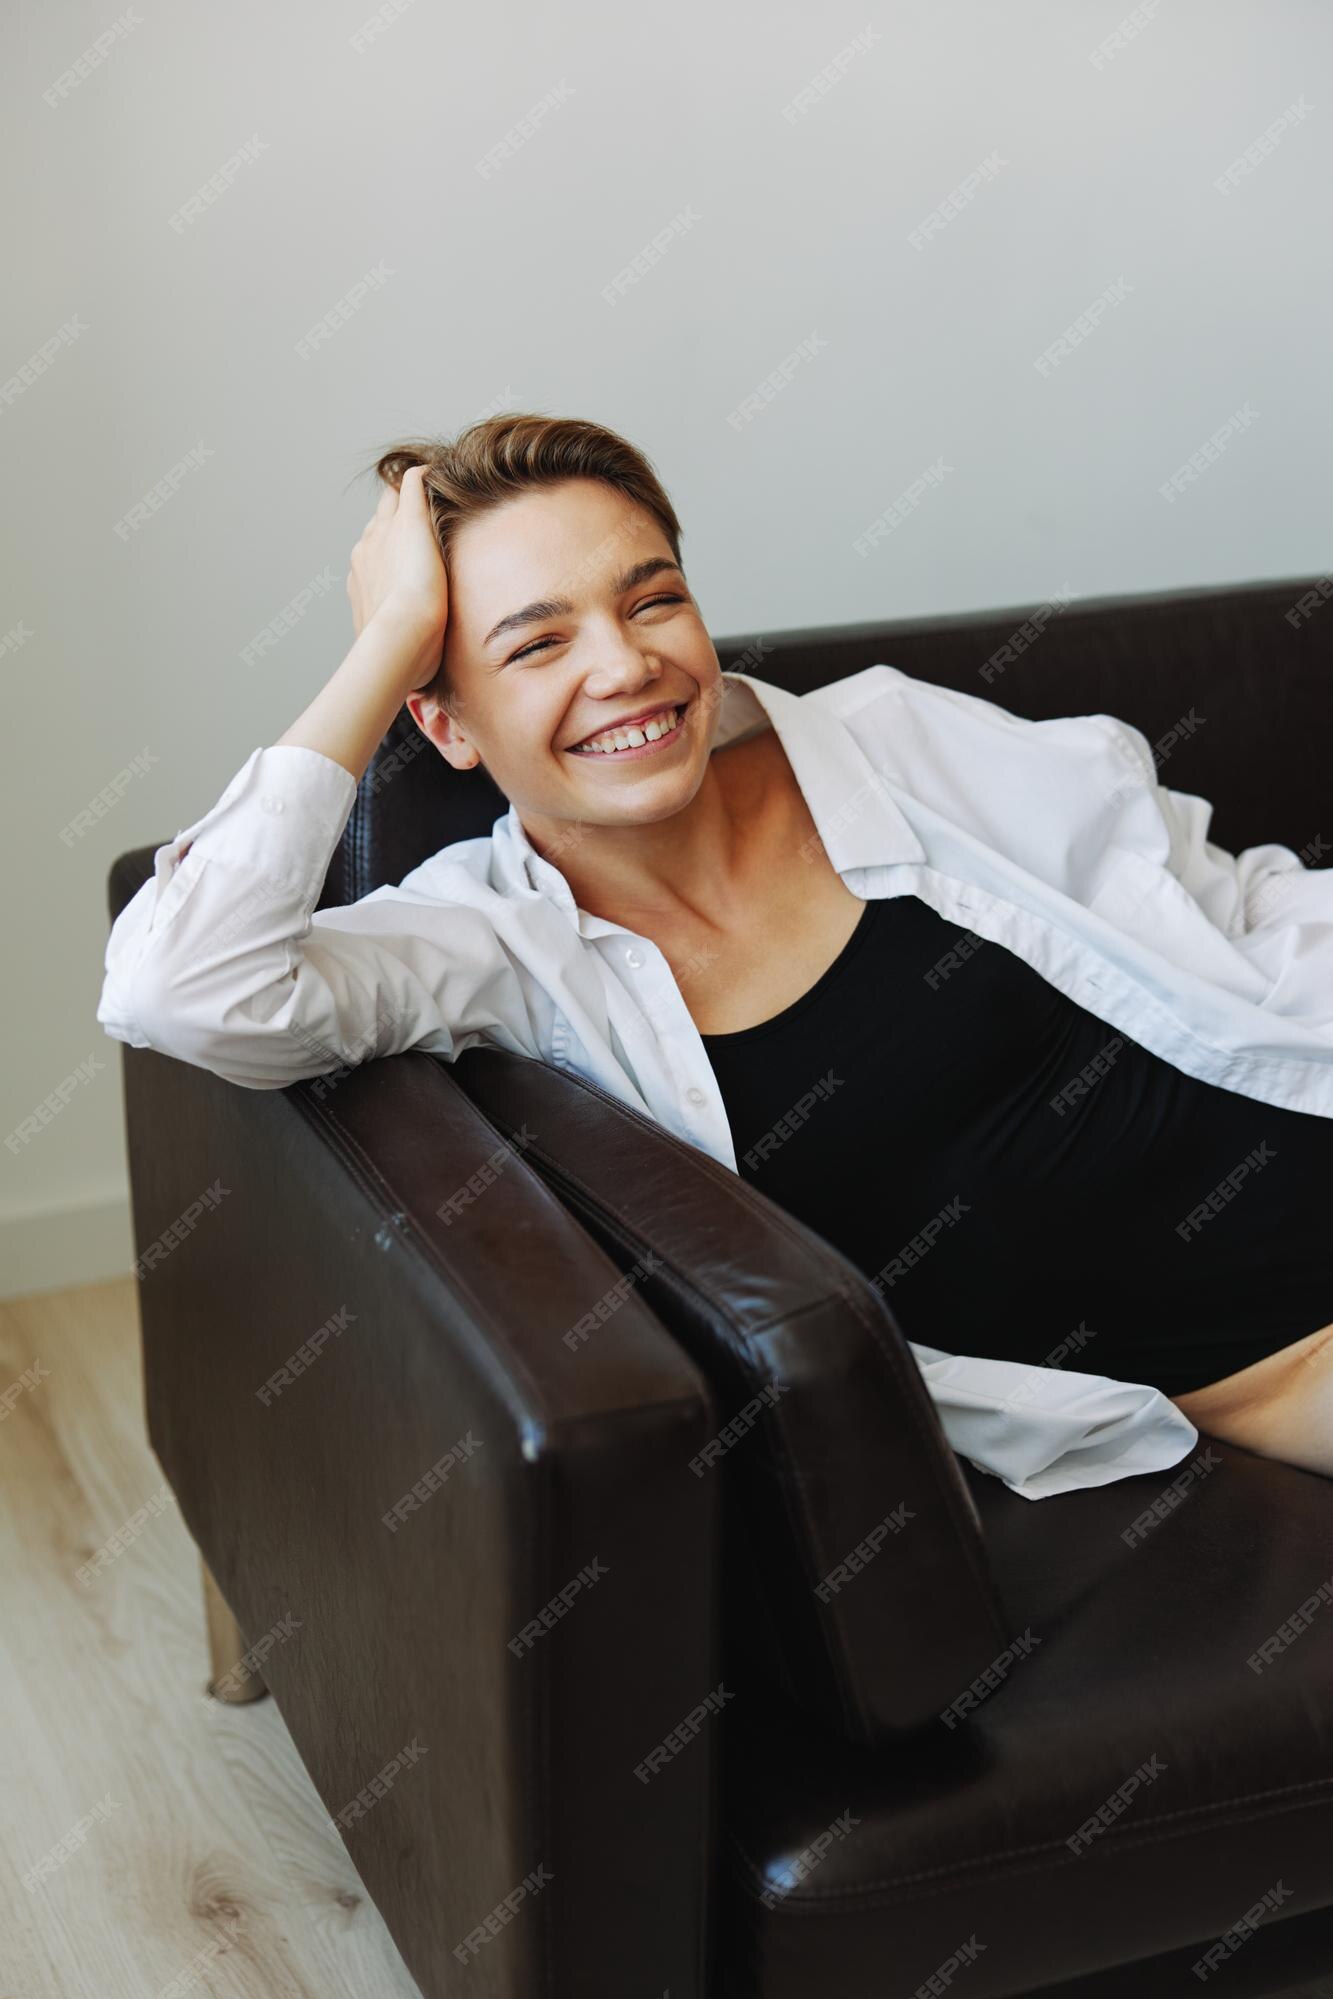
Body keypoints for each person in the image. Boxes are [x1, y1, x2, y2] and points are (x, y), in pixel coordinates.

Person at [97, 414, 1333, 1497]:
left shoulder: (883, 738)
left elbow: (1220, 896)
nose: (626, 663)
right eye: (535, 644)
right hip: (1284, 1359)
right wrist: (385, 643)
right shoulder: (494, 947)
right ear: (444, 719)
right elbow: (185, 985)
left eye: (652, 598)